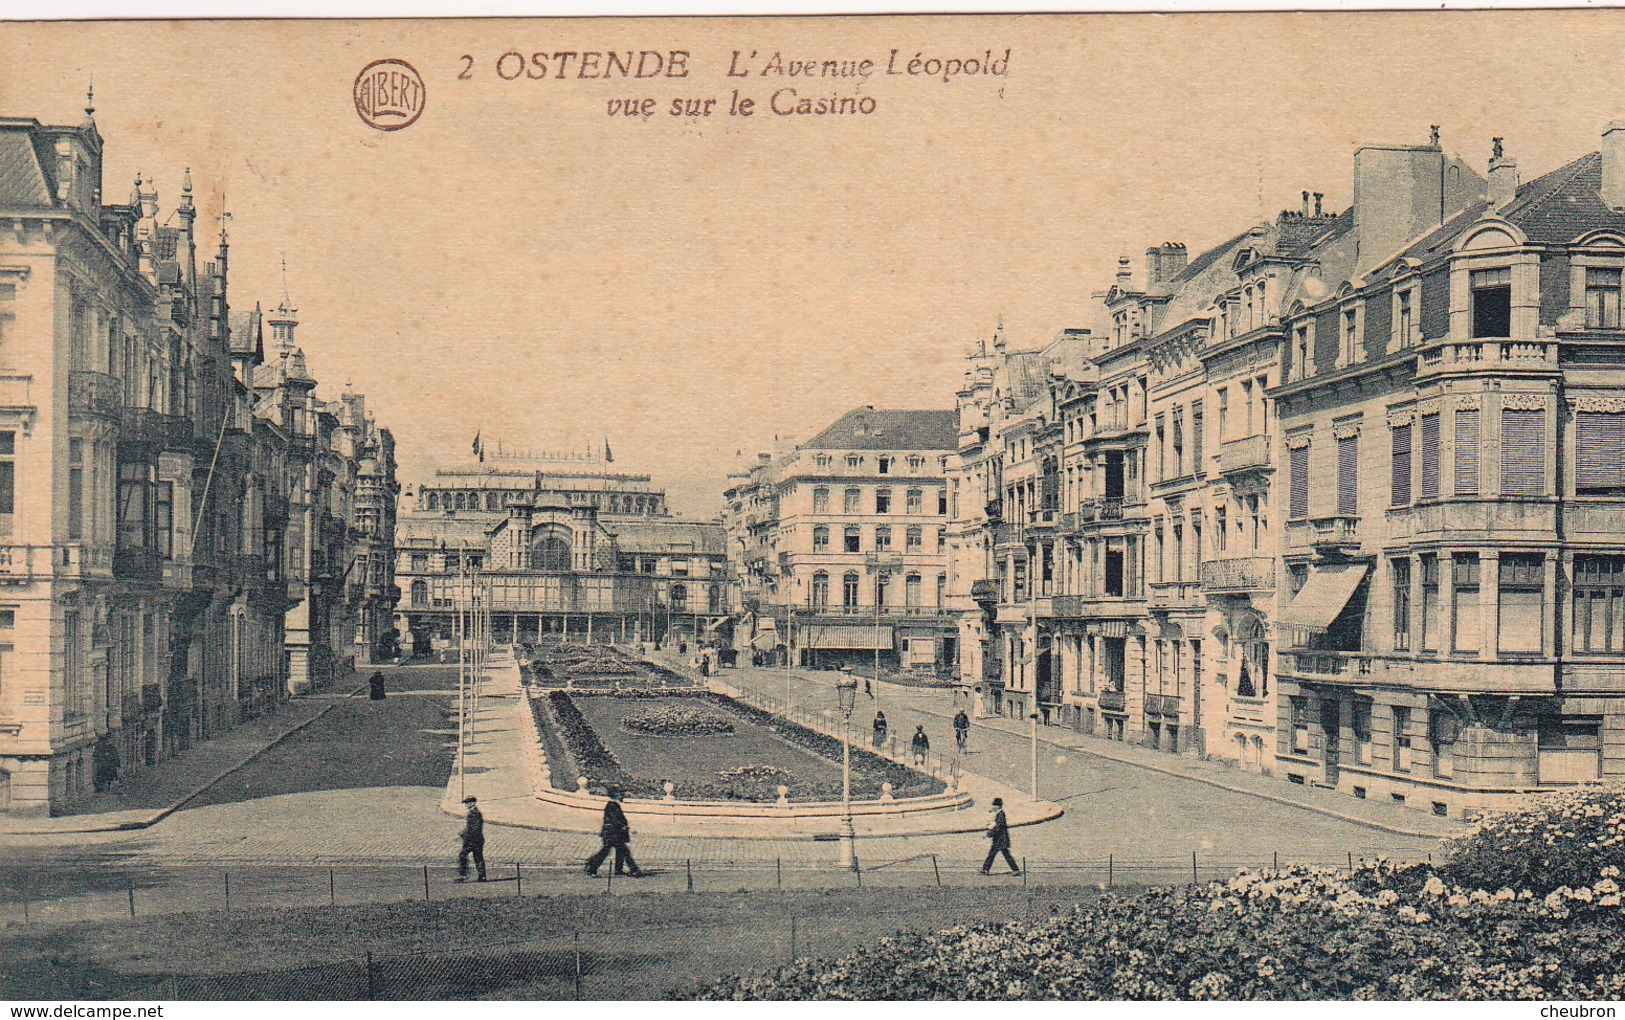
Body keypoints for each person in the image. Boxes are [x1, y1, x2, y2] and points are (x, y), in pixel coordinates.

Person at [585, 788, 643, 878]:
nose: (622, 796)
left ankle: (618, 869)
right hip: (613, 833)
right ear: (615, 795)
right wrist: (624, 827)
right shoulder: (612, 805)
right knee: (617, 851)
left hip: (613, 833)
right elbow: (615, 820)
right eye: (620, 794)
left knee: (619, 851)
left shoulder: (613, 805)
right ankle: (592, 867)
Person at [981, 797, 1020, 875]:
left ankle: (1015, 870)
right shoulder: (999, 814)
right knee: (996, 854)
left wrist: (989, 834)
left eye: (994, 805)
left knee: (999, 854)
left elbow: (998, 827)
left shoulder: (1001, 814)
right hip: (999, 839)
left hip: (1000, 839)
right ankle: (985, 869)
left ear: (998, 806)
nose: (993, 807)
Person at [457, 795, 487, 882]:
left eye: (467, 802)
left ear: (472, 803)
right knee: (478, 857)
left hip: (473, 840)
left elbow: (474, 828)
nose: (466, 805)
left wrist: (465, 836)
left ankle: (463, 875)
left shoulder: (474, 813)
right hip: (477, 839)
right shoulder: (474, 812)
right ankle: (482, 876)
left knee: (462, 855)